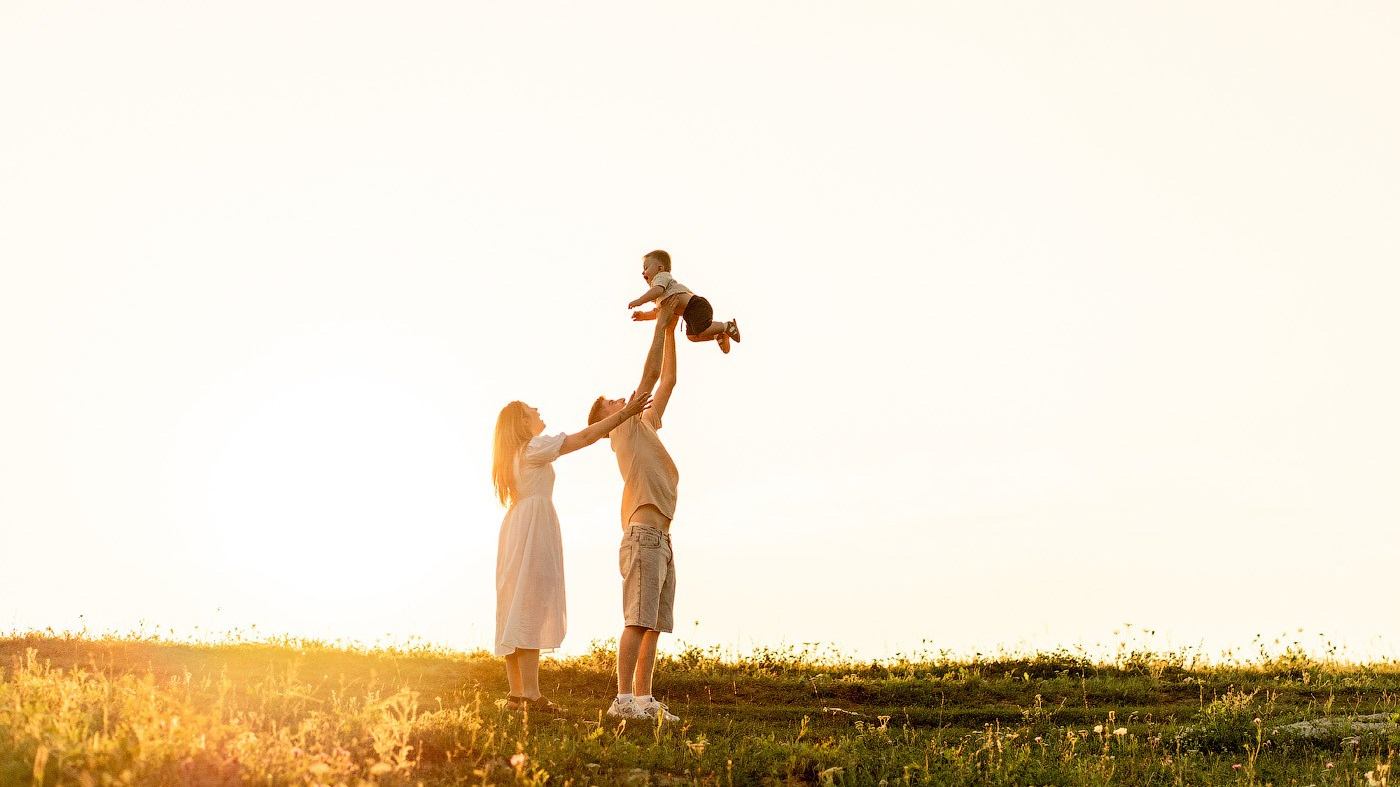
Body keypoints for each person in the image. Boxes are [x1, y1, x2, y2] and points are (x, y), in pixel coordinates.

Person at [490, 388, 650, 713]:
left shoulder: (517, 454)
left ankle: (517, 695)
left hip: (517, 528)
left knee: (514, 605)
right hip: (532, 528)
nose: (537, 409)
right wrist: (625, 412)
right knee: (530, 603)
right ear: (522, 421)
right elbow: (585, 438)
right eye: (531, 408)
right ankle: (532, 697)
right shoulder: (534, 447)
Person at [588, 307, 685, 722]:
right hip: (643, 535)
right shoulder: (622, 426)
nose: (620, 397)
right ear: (606, 417)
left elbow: (667, 380)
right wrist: (661, 323)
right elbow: (647, 381)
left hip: (662, 539)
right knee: (637, 620)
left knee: (653, 624)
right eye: (611, 400)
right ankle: (621, 700)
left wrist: (673, 325)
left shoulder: (644, 423)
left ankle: (644, 700)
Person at [628, 249, 741, 354]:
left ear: (660, 268)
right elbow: (658, 313)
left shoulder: (661, 278)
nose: (643, 272)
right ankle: (718, 335)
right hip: (689, 314)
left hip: (695, 306)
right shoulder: (658, 297)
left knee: (700, 329)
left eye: (646, 268)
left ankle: (726, 326)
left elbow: (657, 290)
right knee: (692, 336)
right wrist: (643, 316)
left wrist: (640, 301)